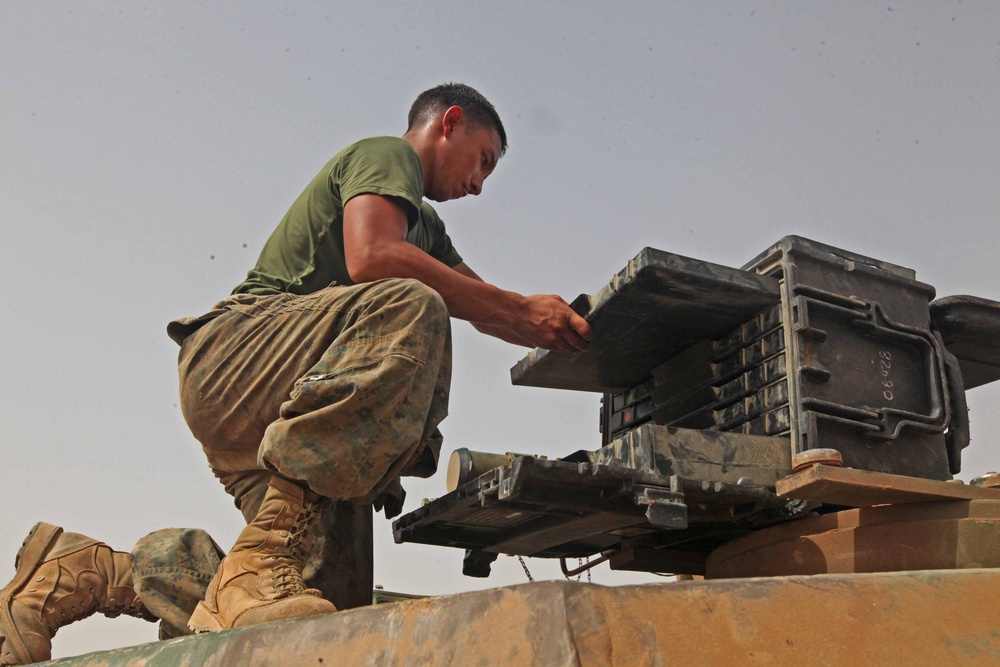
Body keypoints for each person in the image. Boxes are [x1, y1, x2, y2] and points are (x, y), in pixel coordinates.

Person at [0, 83, 592, 664]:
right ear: (449, 122)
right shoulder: (388, 157)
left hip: (288, 405)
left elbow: (485, 305)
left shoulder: (427, 229)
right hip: (236, 358)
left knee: (320, 623)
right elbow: (372, 257)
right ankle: (261, 559)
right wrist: (518, 310)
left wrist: (555, 327)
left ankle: (89, 573)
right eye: (483, 160)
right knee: (413, 303)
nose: (480, 184)